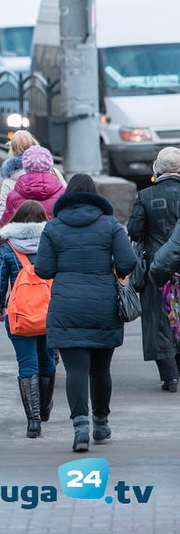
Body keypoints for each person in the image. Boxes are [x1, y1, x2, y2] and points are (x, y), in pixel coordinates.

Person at [34, 174, 136, 452]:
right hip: (103, 303)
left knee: (76, 369)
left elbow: (42, 269)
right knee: (101, 368)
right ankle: (101, 424)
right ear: (95, 194)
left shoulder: (53, 227)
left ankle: (80, 428)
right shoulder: (110, 225)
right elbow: (128, 261)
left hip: (66, 305)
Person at [0, 201, 57, 439]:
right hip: (50, 313)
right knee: (47, 360)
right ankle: (45, 409)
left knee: (27, 364)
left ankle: (33, 421)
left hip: (20, 316)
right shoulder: (53, 243)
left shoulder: (7, 248)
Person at [128, 146, 180, 392]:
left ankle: (170, 376)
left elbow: (134, 232)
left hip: (155, 268)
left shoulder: (145, 195)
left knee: (159, 319)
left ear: (157, 168)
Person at [0, 130, 66, 232]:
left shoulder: (9, 179)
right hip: (51, 233)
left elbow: (3, 213)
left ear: (13, 150)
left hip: (21, 237)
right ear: (33, 144)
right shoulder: (53, 172)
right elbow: (66, 201)